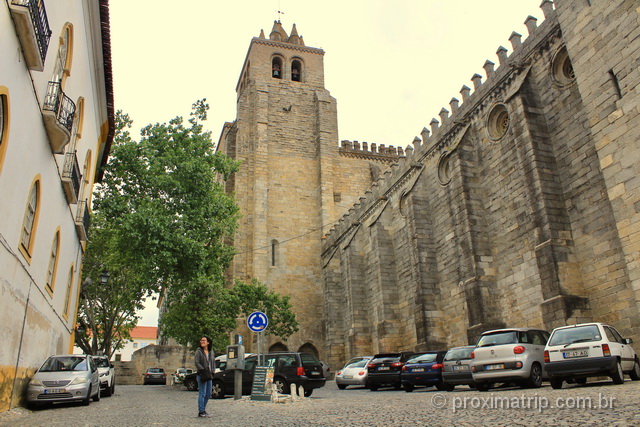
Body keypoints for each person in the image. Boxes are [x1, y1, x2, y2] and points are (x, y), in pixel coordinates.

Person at [195, 336, 214, 418]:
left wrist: (213, 371)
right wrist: (203, 370)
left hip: (209, 374)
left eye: (204, 340)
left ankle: (203, 409)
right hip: (202, 374)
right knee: (202, 393)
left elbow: (213, 362)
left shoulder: (211, 351)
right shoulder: (198, 351)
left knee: (208, 393)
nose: (202, 341)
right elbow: (196, 362)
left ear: (208, 342)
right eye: (201, 340)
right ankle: (201, 411)